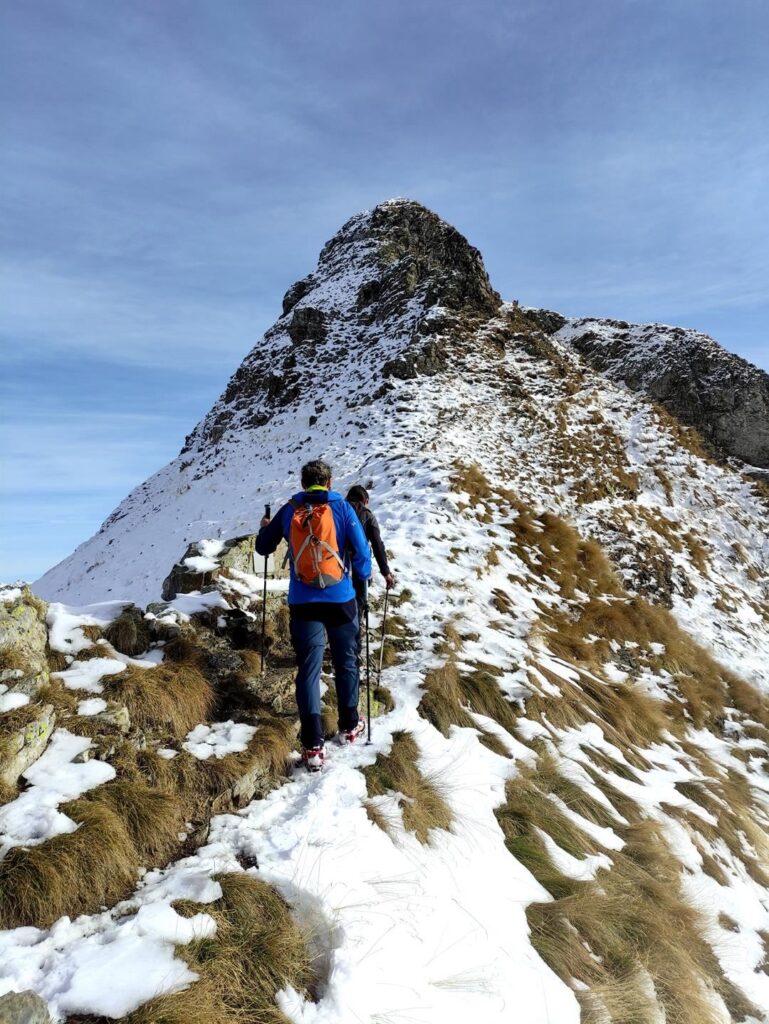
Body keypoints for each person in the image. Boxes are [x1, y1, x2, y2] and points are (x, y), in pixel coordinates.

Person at [255, 459, 371, 772]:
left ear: (304, 483)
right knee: (347, 660)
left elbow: (263, 548)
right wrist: (362, 580)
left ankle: (312, 746)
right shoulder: (344, 509)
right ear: (330, 482)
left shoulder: (290, 509)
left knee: (309, 669)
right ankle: (349, 725)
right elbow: (361, 553)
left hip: (303, 601)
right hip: (341, 598)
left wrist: (266, 529)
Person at [345, 485, 395, 652]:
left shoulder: (336, 512)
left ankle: (333, 644)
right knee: (357, 606)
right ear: (365, 501)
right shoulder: (367, 516)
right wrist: (386, 572)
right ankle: (354, 648)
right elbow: (377, 545)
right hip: (359, 569)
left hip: (335, 568)